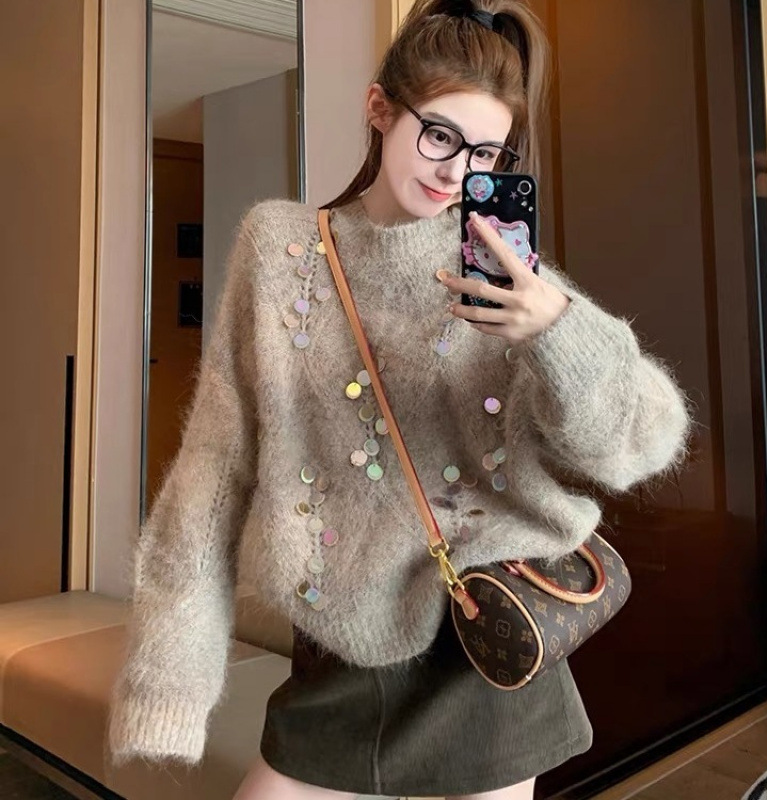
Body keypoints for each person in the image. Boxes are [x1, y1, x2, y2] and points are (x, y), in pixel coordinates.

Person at [107, 1, 691, 798]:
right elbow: (214, 467)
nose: (455, 172)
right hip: (336, 652)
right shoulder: (279, 251)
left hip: (484, 648)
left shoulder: (504, 276)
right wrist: (168, 680)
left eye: (485, 152)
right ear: (380, 108)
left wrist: (557, 329)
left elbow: (645, 440)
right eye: (440, 135)